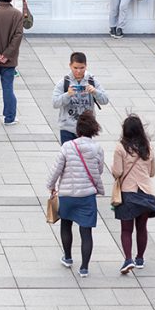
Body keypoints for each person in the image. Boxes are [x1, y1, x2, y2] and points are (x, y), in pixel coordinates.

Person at [46, 110, 104, 278]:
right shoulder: (97, 148)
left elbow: (56, 169)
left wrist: (51, 186)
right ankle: (84, 267)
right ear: (94, 130)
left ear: (78, 130)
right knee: (86, 232)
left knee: (66, 225)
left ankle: (68, 257)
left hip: (67, 194)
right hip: (87, 195)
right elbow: (99, 170)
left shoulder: (67, 146)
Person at [112, 114, 155, 274]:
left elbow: (117, 172)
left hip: (128, 193)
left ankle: (128, 259)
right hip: (146, 193)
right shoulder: (148, 147)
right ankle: (140, 258)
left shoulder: (121, 147)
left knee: (126, 230)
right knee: (142, 228)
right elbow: (152, 172)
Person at [52, 52, 109, 144]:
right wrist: (67, 94)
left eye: (82, 68)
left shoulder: (92, 81)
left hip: (86, 128)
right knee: (69, 157)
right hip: (67, 128)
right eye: (75, 68)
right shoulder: (64, 83)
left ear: (86, 66)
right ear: (70, 66)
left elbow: (105, 100)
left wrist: (95, 92)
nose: (78, 71)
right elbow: (55, 103)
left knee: (85, 157)